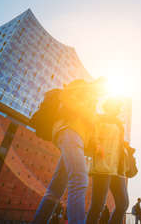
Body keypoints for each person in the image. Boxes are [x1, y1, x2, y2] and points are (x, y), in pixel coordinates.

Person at [32, 79, 105, 224]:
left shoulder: (93, 102)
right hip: (68, 131)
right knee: (79, 178)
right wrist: (88, 114)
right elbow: (65, 98)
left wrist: (97, 144)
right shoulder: (82, 86)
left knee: (55, 189)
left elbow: (92, 128)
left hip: (77, 138)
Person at [86, 98, 130, 224]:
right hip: (102, 166)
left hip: (117, 169)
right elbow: (93, 136)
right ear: (109, 106)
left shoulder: (119, 124)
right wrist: (96, 145)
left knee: (123, 204)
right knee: (97, 205)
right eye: (117, 106)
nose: (119, 109)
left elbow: (119, 145)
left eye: (119, 107)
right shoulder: (99, 119)